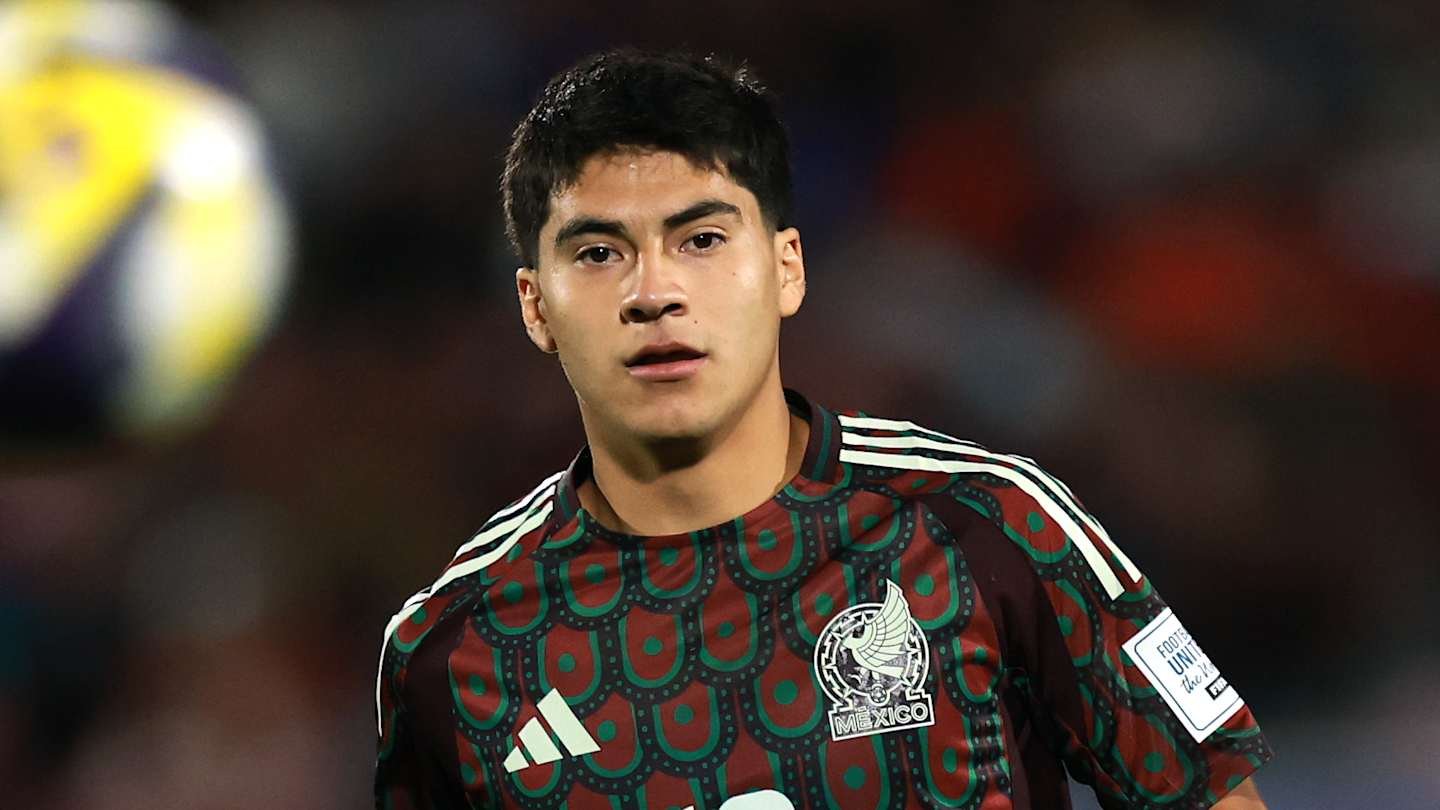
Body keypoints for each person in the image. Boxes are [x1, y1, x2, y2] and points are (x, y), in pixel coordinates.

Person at [374, 49, 1272, 810]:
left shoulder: (986, 525)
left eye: (702, 239)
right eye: (599, 253)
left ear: (786, 269)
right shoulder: (455, 650)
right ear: (536, 306)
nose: (654, 293)